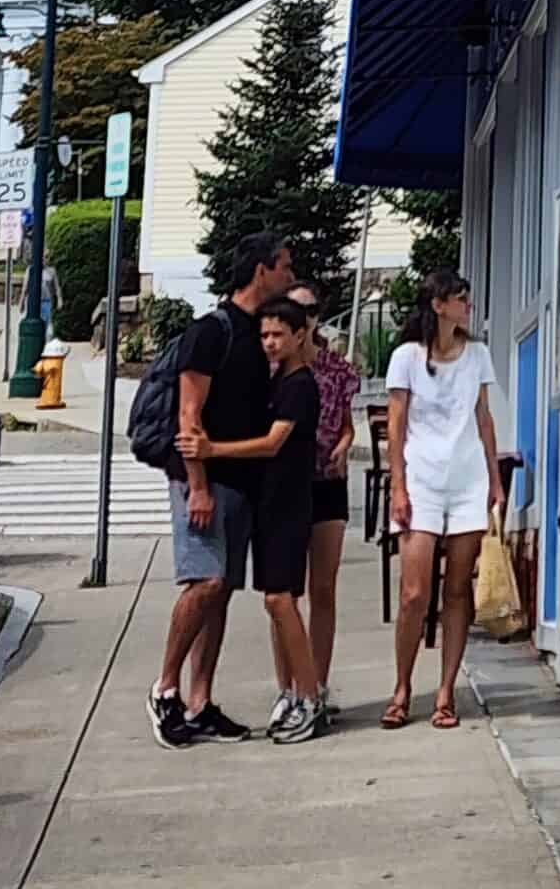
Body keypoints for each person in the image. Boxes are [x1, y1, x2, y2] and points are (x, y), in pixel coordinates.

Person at [147, 230, 294, 749]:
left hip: (242, 483)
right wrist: (199, 487)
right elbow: (189, 415)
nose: (290, 274)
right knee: (205, 583)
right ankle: (165, 689)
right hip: (203, 479)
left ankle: (199, 702)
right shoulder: (211, 331)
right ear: (261, 270)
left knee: (222, 591)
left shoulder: (260, 333)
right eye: (285, 265)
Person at [179, 297, 322, 743]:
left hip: (289, 506)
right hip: (269, 504)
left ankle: (310, 697)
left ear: (301, 335)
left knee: (281, 601)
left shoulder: (300, 385)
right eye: (263, 335)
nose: (270, 343)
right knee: (273, 602)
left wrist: (211, 451)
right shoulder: (278, 380)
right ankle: (298, 694)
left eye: (279, 334)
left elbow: (273, 443)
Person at [382, 271, 502, 731]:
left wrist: (494, 479)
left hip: (467, 478)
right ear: (438, 305)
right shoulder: (407, 358)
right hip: (422, 479)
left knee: (457, 588)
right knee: (414, 592)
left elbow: (483, 417)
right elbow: (396, 422)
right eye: (460, 299)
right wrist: (398, 483)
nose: (467, 306)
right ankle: (402, 686)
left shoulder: (478, 355)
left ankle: (447, 691)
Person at [281, 285, 358, 721]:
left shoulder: (335, 369)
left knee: (323, 587)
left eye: (311, 310)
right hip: (289, 484)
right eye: (297, 309)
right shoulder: (276, 368)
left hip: (328, 479)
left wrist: (344, 446)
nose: (305, 317)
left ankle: (319, 683)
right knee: (285, 591)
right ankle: (290, 686)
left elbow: (347, 425)